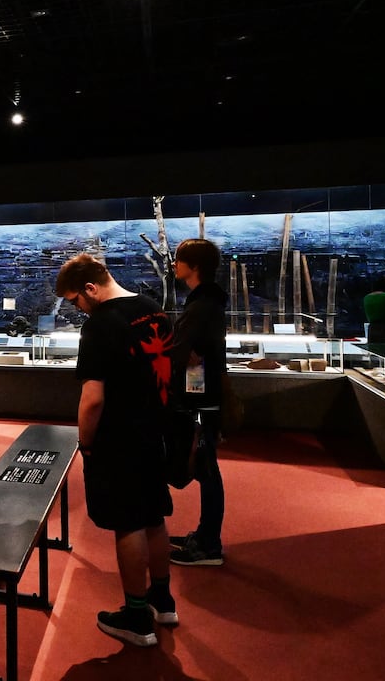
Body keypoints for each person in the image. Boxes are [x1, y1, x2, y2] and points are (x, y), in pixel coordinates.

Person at [55, 253, 176, 647]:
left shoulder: (101, 326)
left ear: (90, 288)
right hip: (154, 430)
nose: (78, 309)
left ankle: (137, 617)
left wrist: (85, 443)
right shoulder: (151, 309)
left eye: (76, 300)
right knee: (154, 515)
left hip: (118, 438)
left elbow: (92, 399)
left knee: (128, 523)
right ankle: (163, 600)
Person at [169, 238, 229, 566]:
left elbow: (183, 349)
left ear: (195, 267)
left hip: (201, 398)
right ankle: (206, 536)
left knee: (206, 467)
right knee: (206, 466)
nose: (175, 265)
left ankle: (209, 545)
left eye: (179, 260)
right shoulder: (207, 302)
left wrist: (181, 352)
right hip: (204, 394)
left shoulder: (201, 305)